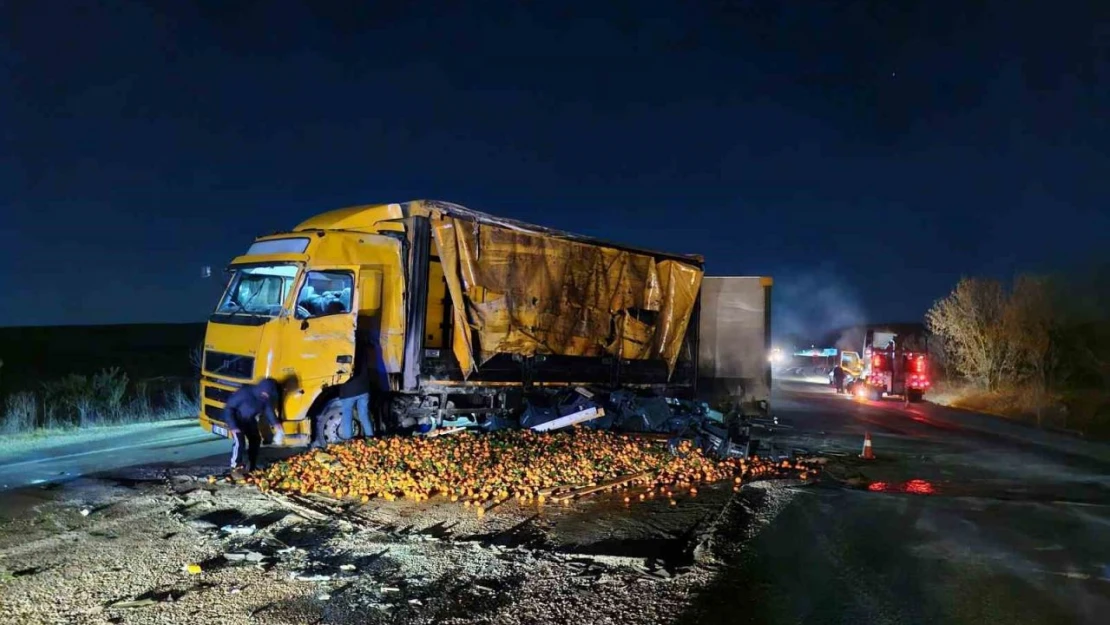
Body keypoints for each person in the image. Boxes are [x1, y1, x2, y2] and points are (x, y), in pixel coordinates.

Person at [222, 378, 284, 472]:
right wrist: (233, 426)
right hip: (236, 419)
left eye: (268, 395)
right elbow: (228, 408)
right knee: (239, 442)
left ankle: (252, 465)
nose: (266, 396)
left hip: (249, 420)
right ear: (260, 390)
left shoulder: (265, 398)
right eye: (264, 394)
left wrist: (276, 424)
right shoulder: (244, 393)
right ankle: (235, 465)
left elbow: (269, 411)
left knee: (255, 439)